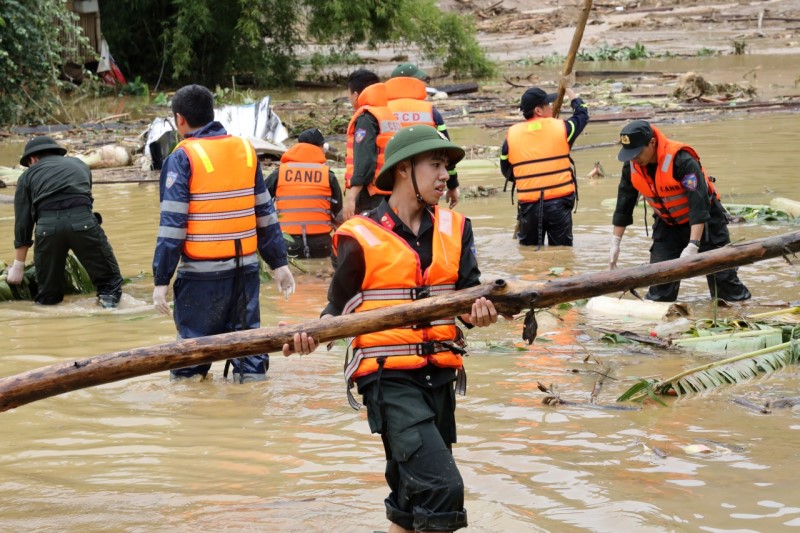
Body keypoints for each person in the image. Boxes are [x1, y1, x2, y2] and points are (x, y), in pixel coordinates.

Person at [322, 125, 501, 532]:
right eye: (435, 165)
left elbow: (468, 299)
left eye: (447, 167)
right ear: (404, 170)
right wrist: (306, 335)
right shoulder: (359, 235)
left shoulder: (456, 229)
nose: (445, 176)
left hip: (439, 376)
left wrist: (481, 313)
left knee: (410, 502)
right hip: (389, 380)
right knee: (443, 490)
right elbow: (337, 308)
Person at [152, 84, 296, 382]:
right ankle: (251, 412)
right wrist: (279, 263)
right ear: (211, 113)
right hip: (245, 273)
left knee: (192, 358)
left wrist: (161, 280)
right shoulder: (245, 150)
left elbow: (172, 226)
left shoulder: (182, 157)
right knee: (249, 351)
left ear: (180, 119)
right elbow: (265, 214)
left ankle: (199, 422)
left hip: (201, 278)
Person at [610, 120, 751, 302]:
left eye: (637, 152)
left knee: (724, 283)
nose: (634, 158)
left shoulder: (681, 159)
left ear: (652, 143)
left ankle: (742, 314)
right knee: (660, 285)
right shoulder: (632, 165)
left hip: (706, 224)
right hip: (668, 224)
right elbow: (624, 203)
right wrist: (615, 242)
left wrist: (693, 244)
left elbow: (698, 204)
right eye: (629, 154)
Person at [9, 136, 123, 307]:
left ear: (32, 159)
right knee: (110, 285)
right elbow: (85, 198)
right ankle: (109, 314)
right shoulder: (80, 165)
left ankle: (49, 324)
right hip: (83, 223)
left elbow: (23, 223)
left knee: (48, 295)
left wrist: (18, 266)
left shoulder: (27, 177)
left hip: (47, 229)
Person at [500, 84, 589, 247]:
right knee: (562, 255)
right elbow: (582, 113)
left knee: (529, 258)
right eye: (548, 104)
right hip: (559, 205)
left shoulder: (511, 135)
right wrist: (568, 89)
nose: (551, 107)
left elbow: (506, 170)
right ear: (538, 111)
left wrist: (529, 179)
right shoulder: (562, 128)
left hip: (529, 206)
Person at [386, 62, 461, 208]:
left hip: (389, 185)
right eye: (418, 80)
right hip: (425, 188)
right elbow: (446, 153)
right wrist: (452, 185)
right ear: (409, 82)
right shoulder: (429, 111)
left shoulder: (380, 110)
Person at [265, 127, 343, 259]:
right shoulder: (327, 175)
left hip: (287, 242)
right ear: (319, 148)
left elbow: (261, 202)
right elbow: (338, 212)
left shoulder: (280, 173)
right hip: (321, 243)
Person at [342, 69, 401, 220]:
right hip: (393, 191)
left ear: (355, 95)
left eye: (349, 95)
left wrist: (351, 196)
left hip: (373, 197)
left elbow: (365, 161)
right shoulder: (387, 114)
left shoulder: (366, 118)